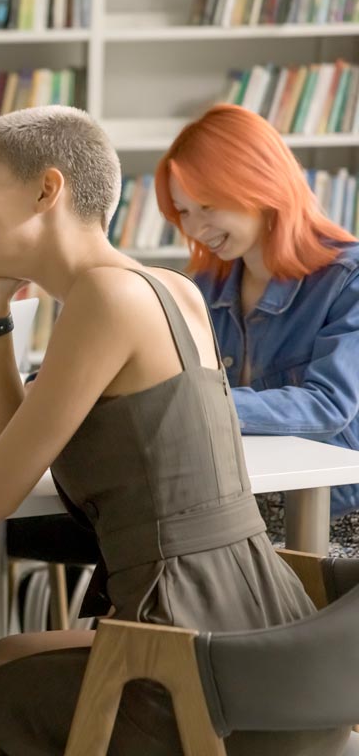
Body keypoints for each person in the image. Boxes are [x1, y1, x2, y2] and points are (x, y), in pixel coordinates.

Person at [0, 106, 349, 755]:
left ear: (47, 190)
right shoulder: (167, 286)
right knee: (7, 652)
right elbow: (15, 450)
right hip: (267, 635)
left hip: (205, 666)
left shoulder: (104, 300)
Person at [155, 103, 359, 551]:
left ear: (259, 185)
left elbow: (327, 405)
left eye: (207, 206)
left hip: (338, 518)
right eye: (183, 212)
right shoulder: (206, 286)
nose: (195, 227)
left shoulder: (349, 279)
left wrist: (196, 403)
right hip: (239, 505)